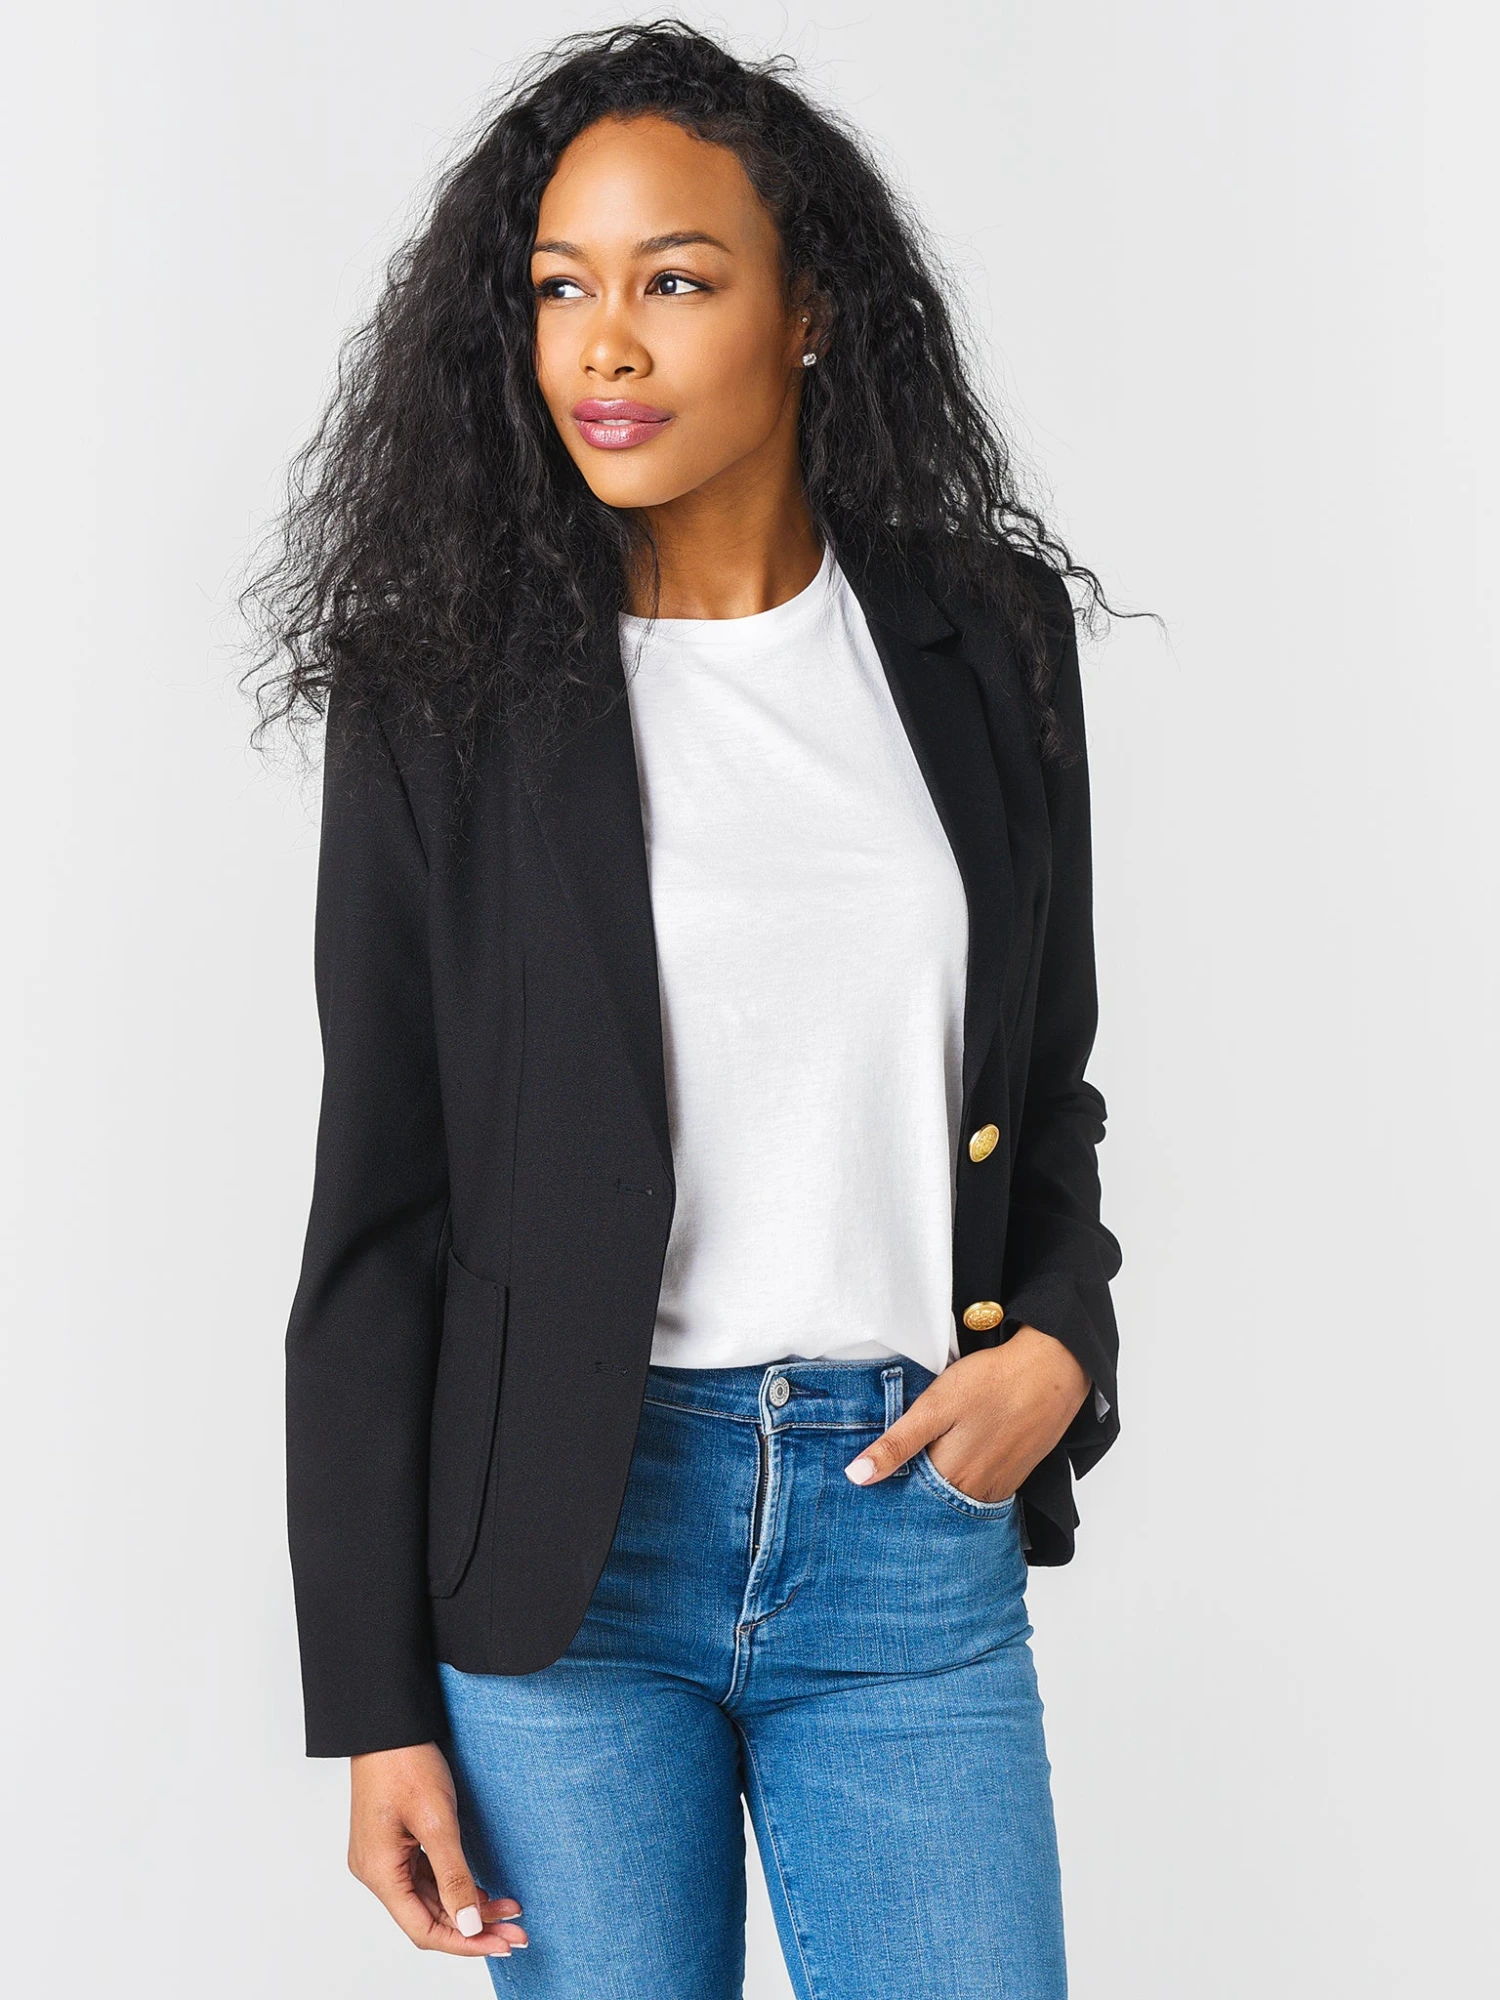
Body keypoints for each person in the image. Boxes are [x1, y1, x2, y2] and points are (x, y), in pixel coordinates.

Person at [247, 21, 1125, 1998]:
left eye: (674, 281)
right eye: (562, 287)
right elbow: (380, 1206)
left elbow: (1046, 1085)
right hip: (567, 1553)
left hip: (909, 1525)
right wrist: (372, 1704)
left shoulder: (985, 640)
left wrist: (1067, 1343)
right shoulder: (443, 688)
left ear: (808, 312)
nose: (605, 346)